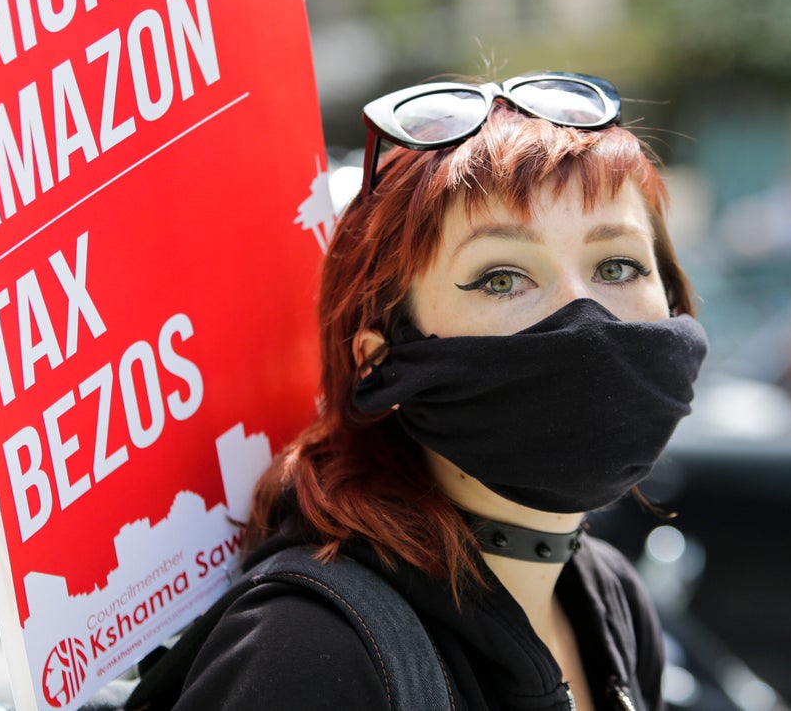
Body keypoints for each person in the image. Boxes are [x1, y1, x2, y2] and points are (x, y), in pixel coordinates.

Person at [164, 72, 708, 710]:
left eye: (617, 266)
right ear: (382, 362)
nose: (583, 316)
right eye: (502, 278)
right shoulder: (310, 653)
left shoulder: (611, 600)